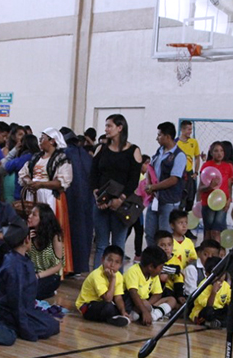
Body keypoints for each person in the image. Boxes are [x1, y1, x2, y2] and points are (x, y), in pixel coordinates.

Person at [90, 114, 142, 269]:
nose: (106, 129)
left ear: (120, 128)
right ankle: (97, 281)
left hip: (121, 203)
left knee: (118, 245)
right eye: (105, 126)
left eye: (109, 126)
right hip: (101, 202)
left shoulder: (133, 150)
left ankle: (117, 284)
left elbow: (133, 180)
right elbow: (93, 175)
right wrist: (97, 195)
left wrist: (120, 199)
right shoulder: (101, 148)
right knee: (101, 245)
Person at [0, 222, 60, 341]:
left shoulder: (18, 259)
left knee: (52, 323)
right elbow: (16, 301)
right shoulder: (14, 266)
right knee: (50, 326)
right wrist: (26, 330)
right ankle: (12, 326)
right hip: (14, 312)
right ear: (26, 240)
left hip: (25, 308)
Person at [143, 122, 186, 247]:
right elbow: (150, 169)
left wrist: (154, 187)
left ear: (167, 136)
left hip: (169, 201)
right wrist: (149, 184)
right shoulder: (159, 151)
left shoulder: (179, 155)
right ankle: (152, 259)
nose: (157, 138)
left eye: (159, 135)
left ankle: (164, 263)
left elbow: (174, 179)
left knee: (165, 235)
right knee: (150, 233)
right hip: (154, 199)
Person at [60, 129, 94, 274]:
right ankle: (80, 266)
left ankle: (68, 267)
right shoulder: (86, 156)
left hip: (69, 199)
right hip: (87, 200)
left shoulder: (64, 154)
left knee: (68, 232)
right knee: (84, 233)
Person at [75, 245, 129, 326]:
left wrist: (123, 312)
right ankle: (111, 317)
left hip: (104, 303)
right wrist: (112, 280)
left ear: (121, 265)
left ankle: (119, 316)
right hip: (88, 306)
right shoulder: (97, 275)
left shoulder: (119, 275)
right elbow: (108, 299)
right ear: (103, 259)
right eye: (110, 260)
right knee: (108, 307)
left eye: (117, 262)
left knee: (128, 297)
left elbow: (118, 297)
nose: (112, 265)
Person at [187, 257, 233, 329]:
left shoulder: (225, 285)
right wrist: (213, 292)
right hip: (203, 313)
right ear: (207, 274)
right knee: (208, 312)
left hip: (218, 311)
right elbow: (208, 306)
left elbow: (231, 301)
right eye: (217, 275)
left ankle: (219, 322)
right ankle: (226, 322)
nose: (220, 278)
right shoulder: (203, 286)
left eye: (223, 274)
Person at [123, 245, 175, 326]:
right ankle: (131, 316)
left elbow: (158, 294)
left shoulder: (153, 274)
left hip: (145, 303)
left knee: (172, 300)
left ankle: (153, 315)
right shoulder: (133, 271)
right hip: (131, 302)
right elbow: (133, 293)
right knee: (144, 304)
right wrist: (145, 310)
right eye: (160, 267)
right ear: (151, 267)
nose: (161, 270)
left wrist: (148, 305)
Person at [197, 141, 233, 243]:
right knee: (208, 232)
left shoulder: (228, 166)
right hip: (208, 203)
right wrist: (210, 187)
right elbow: (200, 188)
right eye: (216, 151)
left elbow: (229, 185)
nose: (219, 153)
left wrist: (229, 199)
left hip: (222, 203)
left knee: (217, 231)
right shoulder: (206, 166)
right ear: (211, 153)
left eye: (221, 151)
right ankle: (207, 254)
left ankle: (217, 255)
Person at [27, 203, 64, 300]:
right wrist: (27, 242)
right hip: (33, 272)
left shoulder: (55, 237)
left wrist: (38, 276)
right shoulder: (29, 233)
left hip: (50, 276)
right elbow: (25, 257)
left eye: (34, 215)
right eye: (30, 213)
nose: (29, 216)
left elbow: (58, 266)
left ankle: (50, 292)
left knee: (30, 292)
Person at [176, 120, 201, 212]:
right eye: (188, 129)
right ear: (182, 129)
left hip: (189, 173)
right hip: (179, 174)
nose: (190, 131)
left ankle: (187, 222)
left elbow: (197, 157)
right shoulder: (176, 142)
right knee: (179, 200)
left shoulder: (194, 142)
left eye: (191, 129)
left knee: (190, 199)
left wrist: (196, 172)